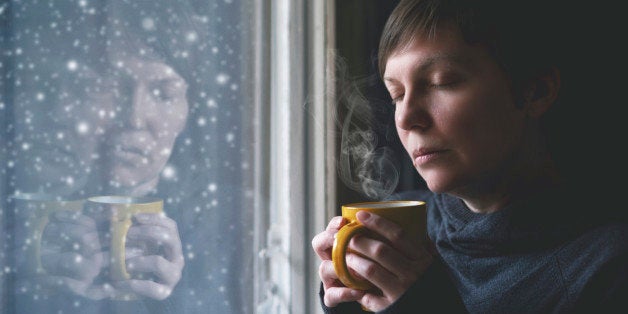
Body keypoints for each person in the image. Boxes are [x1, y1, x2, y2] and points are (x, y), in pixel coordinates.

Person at [312, 0, 628, 312]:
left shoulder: (607, 268)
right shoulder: (403, 234)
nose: (407, 118)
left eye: (441, 83)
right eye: (397, 95)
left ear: (536, 91)